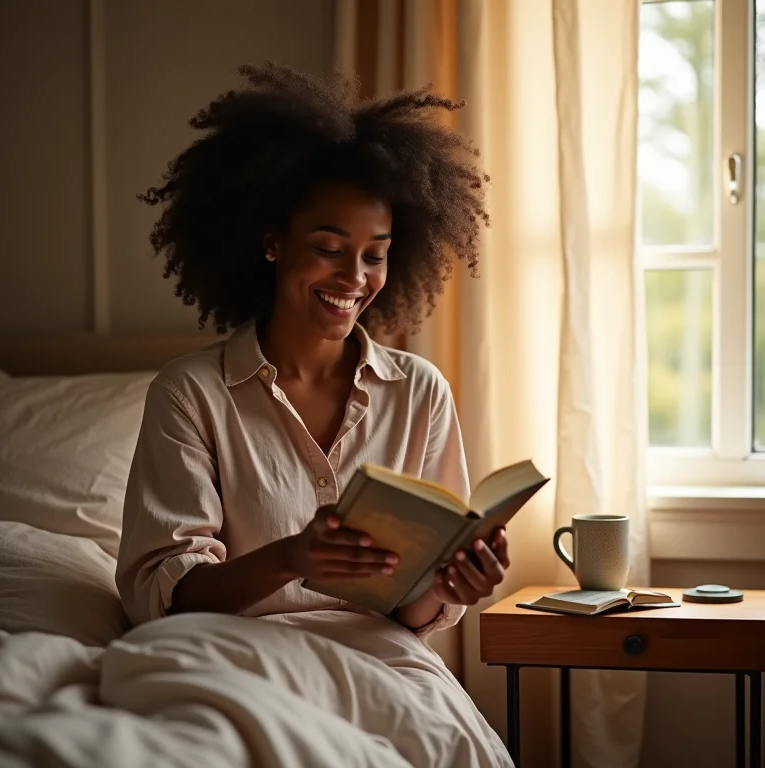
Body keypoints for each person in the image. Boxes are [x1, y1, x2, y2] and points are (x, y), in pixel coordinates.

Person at [115, 63, 512, 765]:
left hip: (379, 662)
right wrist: (293, 556)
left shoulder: (419, 392)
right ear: (273, 243)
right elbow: (162, 598)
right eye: (329, 249)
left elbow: (413, 614)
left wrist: (453, 583)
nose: (354, 280)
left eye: (375, 257)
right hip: (226, 653)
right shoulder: (191, 394)